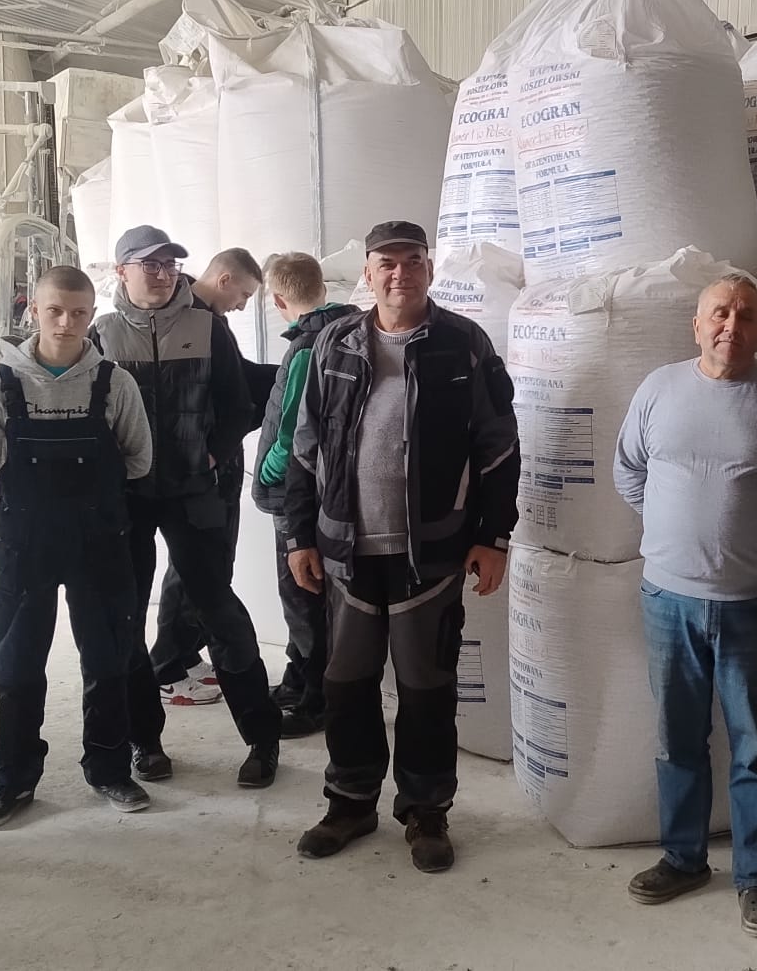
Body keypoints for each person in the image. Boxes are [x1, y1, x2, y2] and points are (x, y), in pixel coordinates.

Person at [284, 221, 518, 874]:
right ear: (367, 272)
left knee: (426, 688)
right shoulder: (333, 344)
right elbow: (303, 447)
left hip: (431, 554)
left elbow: (499, 445)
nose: (399, 273)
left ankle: (426, 811)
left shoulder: (464, 344)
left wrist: (493, 536)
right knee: (346, 683)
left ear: (429, 269)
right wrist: (298, 535)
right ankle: (350, 802)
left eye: (412, 261)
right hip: (345, 552)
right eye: (385, 263)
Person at [613, 271, 757, 941]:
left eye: (745, 315)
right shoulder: (658, 389)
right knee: (677, 738)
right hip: (667, 601)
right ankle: (683, 859)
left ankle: (756, 877)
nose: (731, 325)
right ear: (696, 323)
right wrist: (677, 538)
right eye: (719, 313)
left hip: (753, 606)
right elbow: (629, 471)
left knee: (754, 746)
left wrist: (752, 545)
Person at [0, 266, 155, 829]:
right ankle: (13, 778)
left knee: (107, 660)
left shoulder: (115, 384)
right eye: (54, 310)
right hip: (24, 545)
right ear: (34, 311)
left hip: (100, 543)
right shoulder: (2, 382)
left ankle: (110, 769)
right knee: (17, 665)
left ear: (92, 315)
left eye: (78, 313)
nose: (66, 322)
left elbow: (139, 459)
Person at [91, 226, 279, 787]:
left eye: (170, 264)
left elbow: (236, 403)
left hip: (192, 491)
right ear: (121, 271)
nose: (162, 273)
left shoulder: (206, 326)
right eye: (148, 264)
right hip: (129, 497)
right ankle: (144, 742)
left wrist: (213, 455)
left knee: (219, 609)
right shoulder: (101, 335)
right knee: (125, 618)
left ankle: (262, 740)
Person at [150, 246, 270, 706]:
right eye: (243, 295)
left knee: (204, 566)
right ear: (224, 280)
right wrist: (211, 457)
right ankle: (167, 667)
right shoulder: (189, 320)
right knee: (195, 569)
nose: (242, 305)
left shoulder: (209, 319)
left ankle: (184, 654)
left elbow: (238, 381)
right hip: (200, 470)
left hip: (213, 463)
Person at [249, 252, 356, 738]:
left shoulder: (307, 346)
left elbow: (293, 431)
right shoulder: (343, 330)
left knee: (301, 596)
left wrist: (267, 474)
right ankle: (298, 679)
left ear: (276, 300)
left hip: (296, 494)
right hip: (327, 491)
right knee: (310, 595)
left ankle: (317, 700)